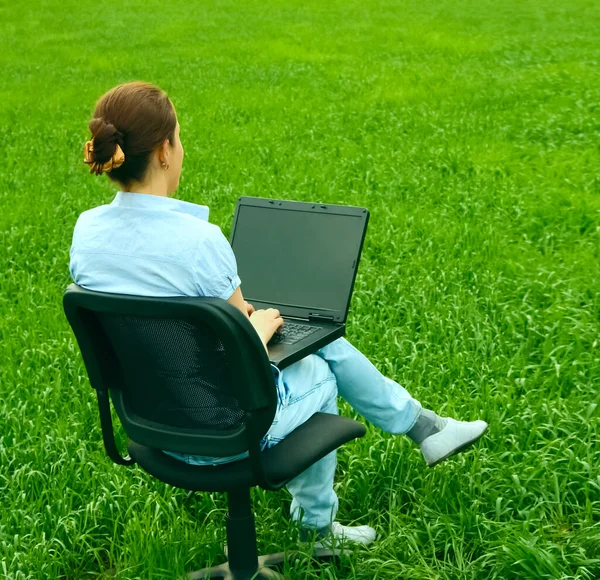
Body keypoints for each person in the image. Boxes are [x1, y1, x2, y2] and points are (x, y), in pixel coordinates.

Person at [70, 81, 488, 548]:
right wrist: (257, 327)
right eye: (180, 140)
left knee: (317, 344)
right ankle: (320, 528)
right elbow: (238, 350)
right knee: (320, 365)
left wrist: (243, 323)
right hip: (224, 427)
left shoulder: (86, 233)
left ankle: (425, 427)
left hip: (152, 426)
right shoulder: (199, 242)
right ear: (165, 151)